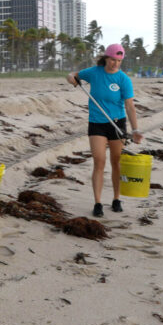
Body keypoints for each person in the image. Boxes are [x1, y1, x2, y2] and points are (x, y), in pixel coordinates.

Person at [67, 44, 143, 217]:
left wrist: (136, 129)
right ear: (106, 58)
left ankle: (116, 199)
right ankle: (98, 203)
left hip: (117, 124)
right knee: (99, 161)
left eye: (118, 61)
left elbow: (130, 106)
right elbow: (73, 75)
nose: (115, 64)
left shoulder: (124, 79)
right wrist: (70, 77)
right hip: (97, 124)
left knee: (116, 162)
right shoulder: (94, 72)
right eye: (112, 60)